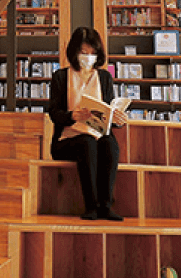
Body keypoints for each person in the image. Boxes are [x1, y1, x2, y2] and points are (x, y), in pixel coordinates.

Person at [47, 26, 126, 220]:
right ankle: (91, 206)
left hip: (99, 136)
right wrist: (73, 116)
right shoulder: (60, 77)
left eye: (93, 53)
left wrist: (117, 120)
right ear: (74, 52)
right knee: (87, 143)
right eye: (84, 52)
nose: (88, 57)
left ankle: (106, 206)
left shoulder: (105, 78)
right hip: (68, 139)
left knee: (109, 144)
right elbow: (54, 113)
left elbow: (108, 111)